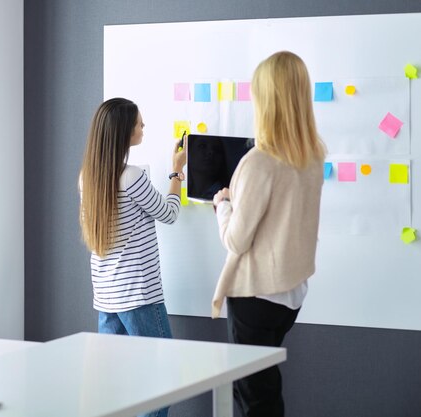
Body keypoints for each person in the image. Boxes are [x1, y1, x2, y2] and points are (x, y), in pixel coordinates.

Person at [211, 51, 326, 417]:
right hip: (291, 293)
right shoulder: (312, 156)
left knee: (254, 398)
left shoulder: (259, 161)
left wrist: (223, 205)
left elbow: (236, 240)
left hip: (256, 295)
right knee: (263, 389)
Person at [79, 97, 186, 417]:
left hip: (108, 299)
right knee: (160, 381)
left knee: (117, 387)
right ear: (124, 132)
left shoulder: (88, 177)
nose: (143, 128)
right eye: (139, 124)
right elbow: (169, 213)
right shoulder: (132, 177)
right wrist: (176, 174)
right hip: (140, 296)